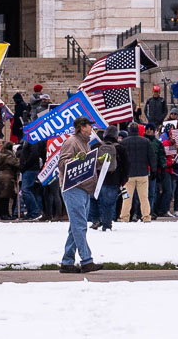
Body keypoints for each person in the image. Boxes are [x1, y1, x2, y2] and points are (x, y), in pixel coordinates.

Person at [58, 117, 102, 274]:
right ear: (82, 127)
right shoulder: (71, 142)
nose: (92, 128)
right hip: (73, 187)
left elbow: (87, 164)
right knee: (80, 225)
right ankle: (86, 261)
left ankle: (67, 262)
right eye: (90, 125)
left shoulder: (85, 143)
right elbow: (62, 163)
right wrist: (76, 159)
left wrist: (100, 162)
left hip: (83, 188)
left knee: (75, 227)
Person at [119, 124, 153, 222]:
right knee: (144, 197)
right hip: (143, 173)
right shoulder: (146, 141)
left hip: (128, 175)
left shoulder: (124, 142)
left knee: (126, 198)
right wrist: (153, 170)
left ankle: (124, 217)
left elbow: (120, 159)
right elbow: (151, 157)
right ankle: (146, 217)